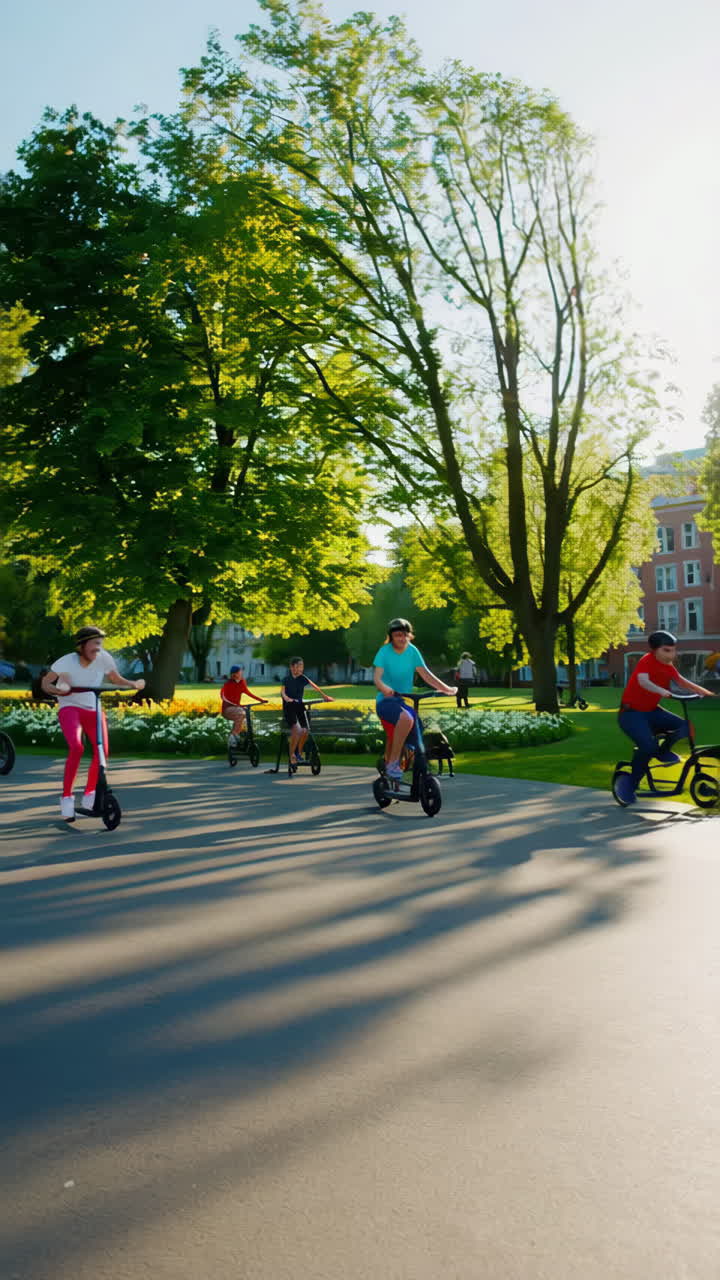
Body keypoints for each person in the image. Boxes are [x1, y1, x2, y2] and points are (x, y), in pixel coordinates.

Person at [41, 626, 145, 821]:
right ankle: (67, 798)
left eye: (100, 643)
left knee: (101, 752)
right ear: (82, 646)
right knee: (77, 747)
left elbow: (115, 679)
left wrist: (133, 684)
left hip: (92, 708)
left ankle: (90, 794)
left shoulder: (104, 658)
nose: (98, 648)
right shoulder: (66, 662)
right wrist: (57, 691)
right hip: (70, 707)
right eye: (94, 643)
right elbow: (46, 683)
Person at [616, 629, 715, 805]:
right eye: (666, 650)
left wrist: (709, 695)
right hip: (631, 714)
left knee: (688, 727)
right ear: (655, 651)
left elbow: (683, 682)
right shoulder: (646, 661)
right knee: (647, 746)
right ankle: (629, 785)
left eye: (673, 650)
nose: (672, 654)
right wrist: (663, 691)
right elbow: (643, 681)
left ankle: (662, 751)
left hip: (652, 712)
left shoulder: (668, 667)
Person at [373, 618, 457, 780]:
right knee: (405, 718)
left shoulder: (412, 651)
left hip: (405, 701)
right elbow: (377, 678)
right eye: (398, 635)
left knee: (417, 734)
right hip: (386, 701)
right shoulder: (384, 651)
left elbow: (425, 674)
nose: (402, 639)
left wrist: (446, 689)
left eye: (405, 635)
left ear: (409, 636)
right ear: (391, 637)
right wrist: (385, 689)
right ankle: (392, 764)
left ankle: (417, 766)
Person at [280, 657, 334, 763]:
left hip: (300, 707)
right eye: (298, 665)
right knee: (297, 729)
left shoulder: (303, 678)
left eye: (302, 666)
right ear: (292, 667)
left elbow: (315, 686)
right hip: (289, 708)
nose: (300, 668)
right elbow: (282, 692)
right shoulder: (286, 679)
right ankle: (291, 756)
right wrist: (287, 699)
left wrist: (325, 696)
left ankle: (299, 753)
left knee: (305, 731)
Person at [220, 665, 265, 744]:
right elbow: (223, 697)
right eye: (240, 671)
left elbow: (248, 693)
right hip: (227, 709)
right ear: (235, 674)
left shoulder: (242, 682)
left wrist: (261, 700)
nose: (242, 673)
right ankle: (234, 736)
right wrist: (238, 705)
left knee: (243, 715)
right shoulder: (228, 684)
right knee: (241, 713)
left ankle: (234, 737)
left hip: (237, 708)